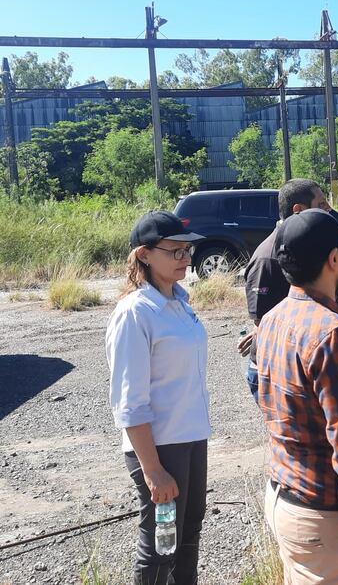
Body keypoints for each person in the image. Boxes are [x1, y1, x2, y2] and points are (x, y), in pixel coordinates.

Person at [255, 209, 338, 584]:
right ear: (334, 260)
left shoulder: (272, 319)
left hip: (284, 500)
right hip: (325, 519)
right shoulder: (334, 335)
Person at [105, 211, 210, 585]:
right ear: (144, 255)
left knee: (188, 535)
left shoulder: (179, 302)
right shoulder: (135, 313)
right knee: (161, 545)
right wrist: (153, 470)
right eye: (176, 251)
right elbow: (128, 402)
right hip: (160, 448)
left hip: (191, 438)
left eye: (188, 250)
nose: (186, 258)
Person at [238, 179, 338, 399]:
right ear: (298, 210)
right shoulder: (268, 257)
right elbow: (265, 323)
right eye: (322, 203)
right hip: (283, 370)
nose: (328, 209)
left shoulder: (309, 243)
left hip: (312, 362)